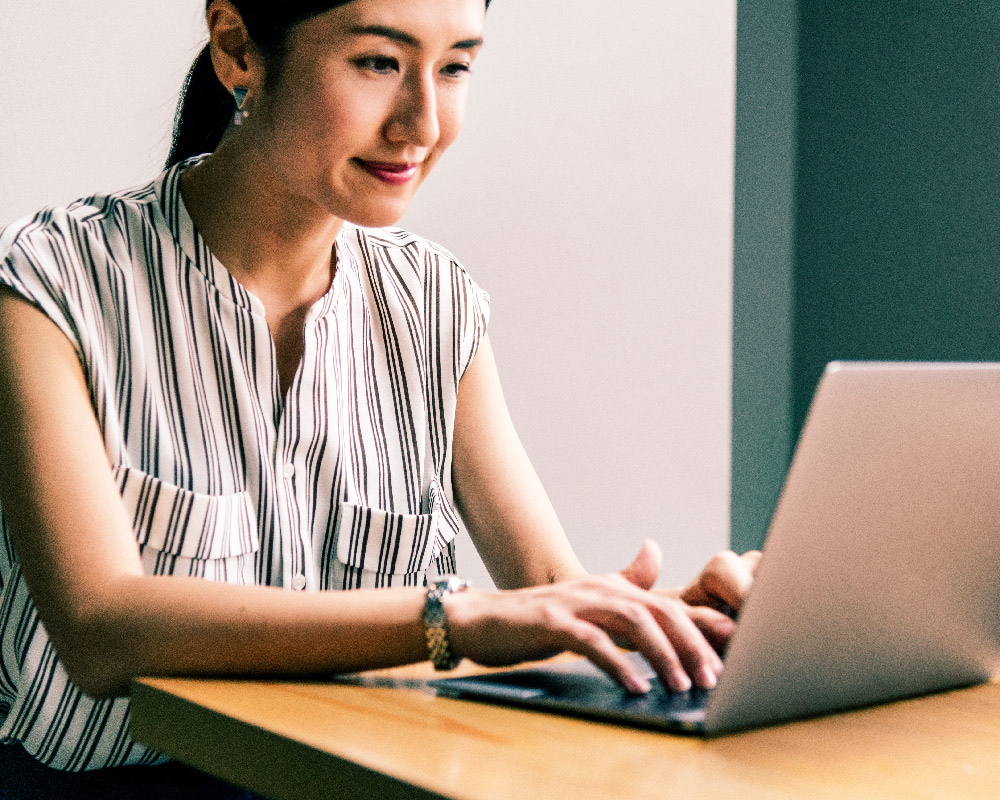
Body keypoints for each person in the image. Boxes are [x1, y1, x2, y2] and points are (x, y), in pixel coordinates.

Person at [0, 0, 759, 795]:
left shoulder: (436, 303)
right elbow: (100, 631)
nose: (422, 123)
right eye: (379, 63)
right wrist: (448, 619)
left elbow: (547, 597)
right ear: (237, 51)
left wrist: (688, 619)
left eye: (456, 66)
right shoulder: (53, 284)